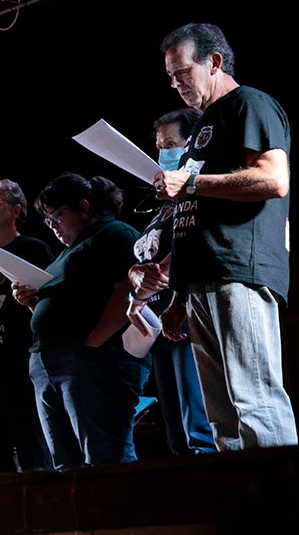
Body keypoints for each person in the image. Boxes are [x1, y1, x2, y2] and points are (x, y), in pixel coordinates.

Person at [146, 22, 298, 450]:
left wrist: (190, 184)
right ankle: (242, 511)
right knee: (222, 421)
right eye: (170, 77)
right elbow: (197, 219)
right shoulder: (201, 128)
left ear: (214, 62)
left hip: (238, 273)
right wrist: (177, 297)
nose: (176, 84)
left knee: (255, 402)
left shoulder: (249, 104)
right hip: (199, 285)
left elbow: (273, 179)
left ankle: (285, 504)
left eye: (182, 72)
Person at [11, 173, 150, 470]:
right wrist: (32, 301)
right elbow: (58, 311)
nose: (53, 226)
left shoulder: (114, 234)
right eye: (47, 220)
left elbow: (127, 293)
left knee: (105, 457)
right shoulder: (65, 253)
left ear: (83, 205)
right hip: (50, 364)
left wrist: (90, 347)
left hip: (90, 360)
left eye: (57, 215)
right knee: (65, 463)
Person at [127, 108, 216, 456]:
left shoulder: (198, 193)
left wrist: (161, 272)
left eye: (171, 144)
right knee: (174, 430)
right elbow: (139, 262)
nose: (163, 152)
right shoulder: (161, 206)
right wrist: (135, 278)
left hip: (188, 316)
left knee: (199, 426)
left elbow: (195, 240)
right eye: (159, 146)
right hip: (157, 326)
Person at [0, 179, 54, 473]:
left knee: (32, 449)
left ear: (16, 210)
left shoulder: (34, 249)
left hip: (21, 368)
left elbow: (53, 304)